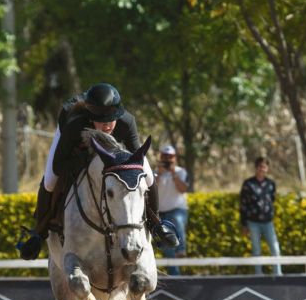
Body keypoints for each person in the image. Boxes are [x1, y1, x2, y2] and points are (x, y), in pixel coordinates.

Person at [19, 83, 178, 259]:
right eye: (101, 121)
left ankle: (157, 224)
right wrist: (86, 159)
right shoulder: (75, 125)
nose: (108, 125)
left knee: (148, 177)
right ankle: (38, 233)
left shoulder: (126, 122)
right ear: (91, 117)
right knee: (50, 181)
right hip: (72, 144)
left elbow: (136, 159)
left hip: (113, 153)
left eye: (111, 119)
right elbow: (58, 165)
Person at [240, 157, 282, 276]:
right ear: (256, 168)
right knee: (256, 249)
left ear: (267, 168)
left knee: (275, 247)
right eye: (259, 167)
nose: (261, 169)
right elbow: (243, 204)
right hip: (253, 222)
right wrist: (244, 224)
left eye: (264, 167)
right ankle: (258, 274)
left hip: (268, 221)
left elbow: (272, 200)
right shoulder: (248, 184)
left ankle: (278, 273)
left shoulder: (270, 184)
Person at [156, 144, 189, 275]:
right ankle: (175, 275)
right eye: (165, 156)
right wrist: (159, 174)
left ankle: (181, 249)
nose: (168, 159)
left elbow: (183, 189)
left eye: (170, 157)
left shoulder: (181, 172)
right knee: (167, 246)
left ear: (175, 158)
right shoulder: (155, 172)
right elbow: (149, 190)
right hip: (161, 213)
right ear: (160, 157)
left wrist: (174, 174)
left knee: (177, 220)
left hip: (178, 209)